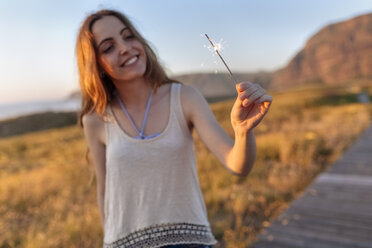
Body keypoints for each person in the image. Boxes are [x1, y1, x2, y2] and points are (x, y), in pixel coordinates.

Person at [76, 9, 272, 248]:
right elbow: (105, 191)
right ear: (96, 64)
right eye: (108, 47)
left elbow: (237, 165)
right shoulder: (95, 120)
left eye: (128, 36)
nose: (125, 48)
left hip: (189, 242)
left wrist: (242, 132)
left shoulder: (185, 98)